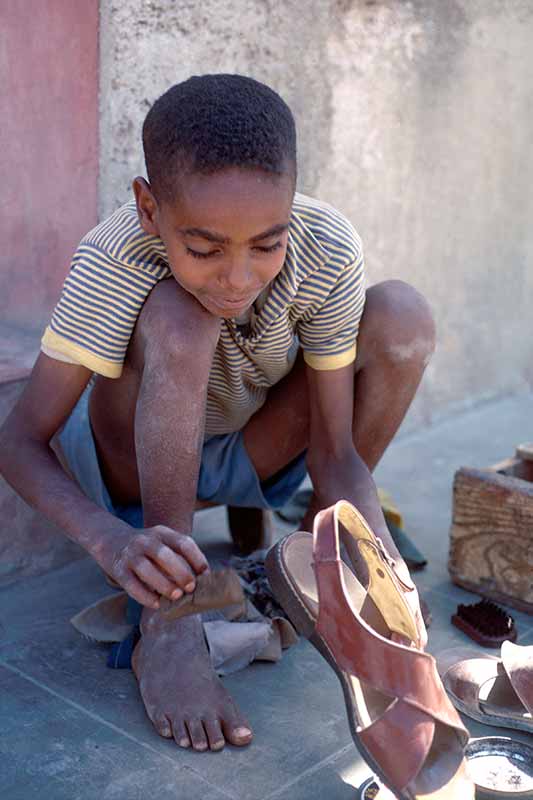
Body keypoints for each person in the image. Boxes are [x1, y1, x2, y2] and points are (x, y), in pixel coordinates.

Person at [0, 74, 435, 752]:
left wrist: (374, 567)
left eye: (267, 243)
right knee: (184, 310)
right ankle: (167, 622)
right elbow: (20, 439)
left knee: (401, 312)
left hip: (251, 448)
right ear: (148, 209)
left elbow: (335, 452)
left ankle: (312, 569)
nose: (237, 277)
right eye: (203, 249)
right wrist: (107, 540)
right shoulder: (113, 258)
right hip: (130, 468)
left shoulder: (326, 249)